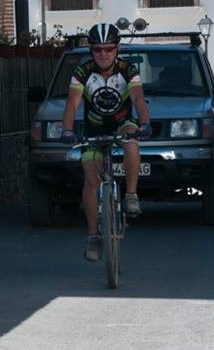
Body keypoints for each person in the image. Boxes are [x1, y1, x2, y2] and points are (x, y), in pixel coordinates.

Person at [60, 23, 151, 261]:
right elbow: (72, 103)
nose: (103, 54)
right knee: (91, 179)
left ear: (117, 48)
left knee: (131, 140)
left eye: (109, 48)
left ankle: (131, 195)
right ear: (91, 50)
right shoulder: (82, 72)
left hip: (122, 122)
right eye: (97, 49)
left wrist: (145, 124)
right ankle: (93, 236)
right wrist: (67, 130)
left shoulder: (128, 70)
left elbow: (138, 99)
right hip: (94, 127)